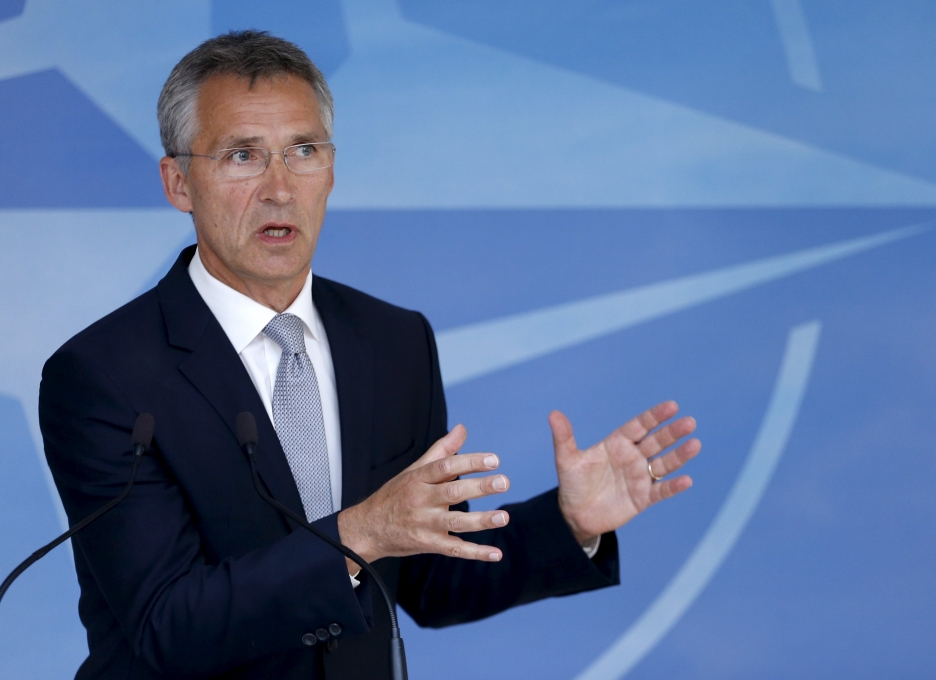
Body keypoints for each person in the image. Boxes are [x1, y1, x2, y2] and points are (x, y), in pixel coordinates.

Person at [39, 31, 701, 679]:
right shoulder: (104, 376)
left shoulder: (392, 341)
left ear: (331, 170)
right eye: (242, 155)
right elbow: (165, 624)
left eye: (303, 150)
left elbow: (430, 579)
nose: (279, 187)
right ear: (179, 183)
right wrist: (359, 532)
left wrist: (567, 523)